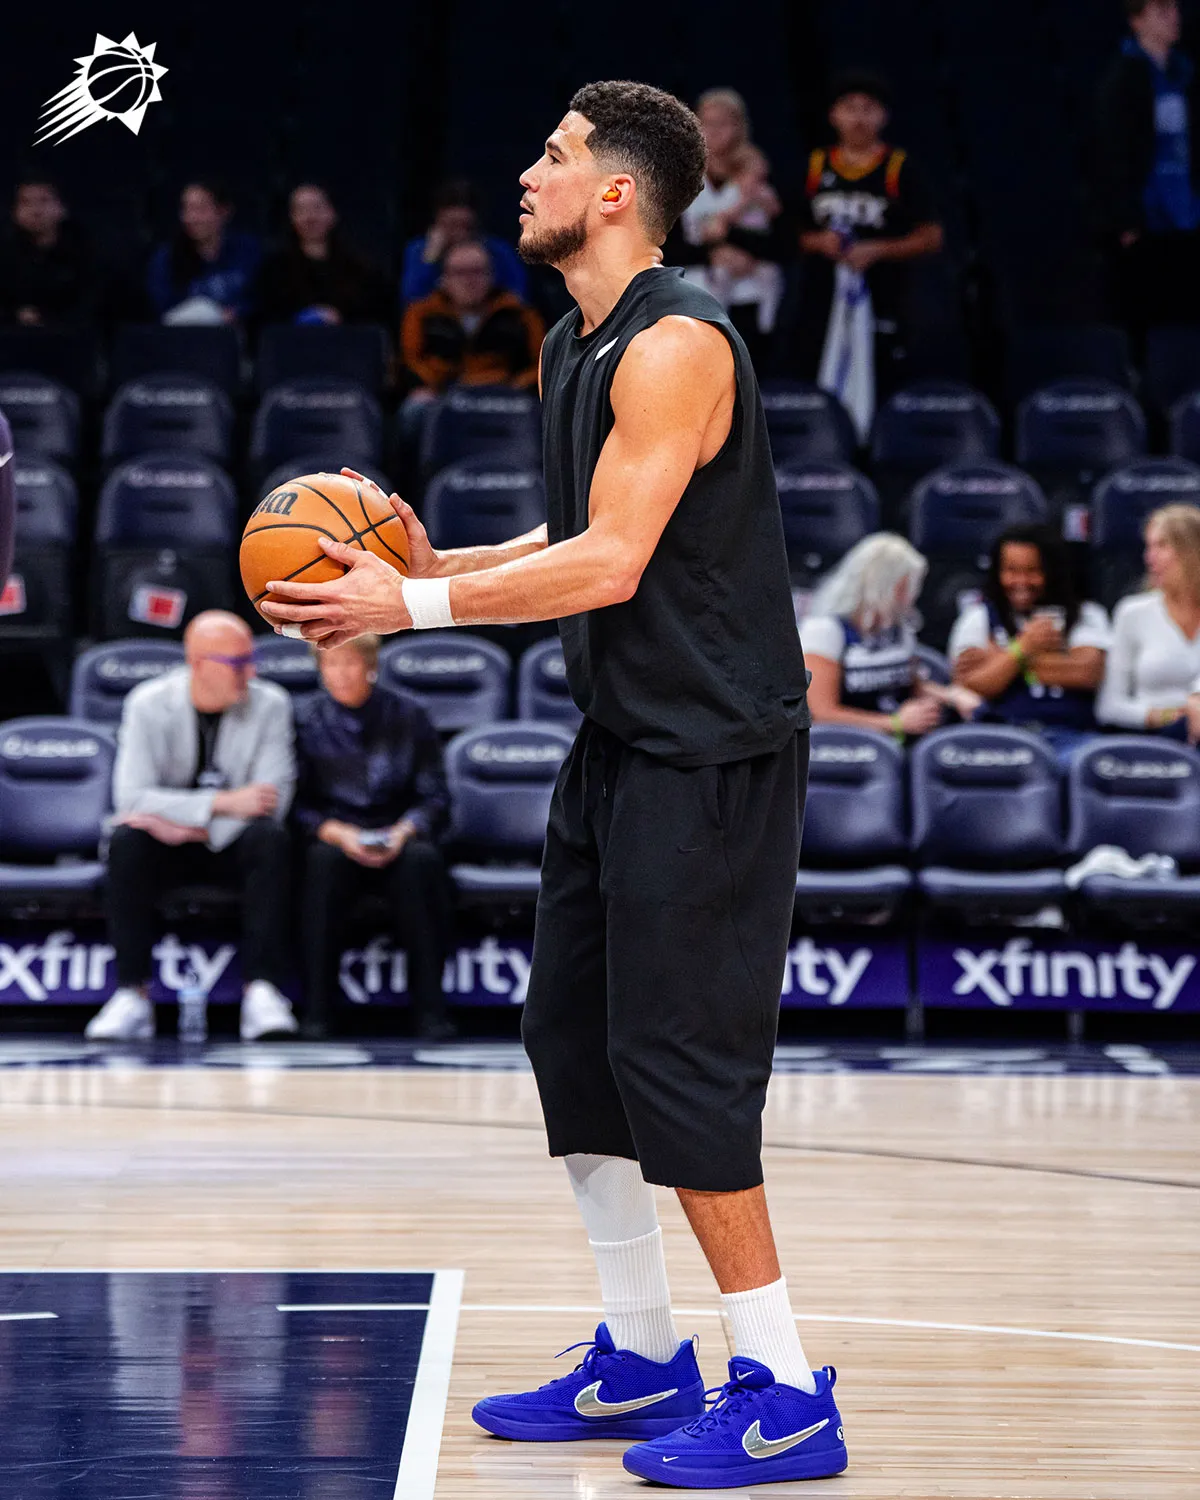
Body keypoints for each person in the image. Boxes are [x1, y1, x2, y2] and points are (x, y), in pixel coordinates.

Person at [260, 80, 849, 1488]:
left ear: (616, 196)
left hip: (711, 753)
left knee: (683, 1071)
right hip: (621, 742)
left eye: (556, 156)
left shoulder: (677, 344)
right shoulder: (579, 342)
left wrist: (407, 618)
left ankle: (779, 1387)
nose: (527, 174)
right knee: (573, 1050)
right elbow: (581, 525)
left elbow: (613, 564)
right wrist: (433, 569)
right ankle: (644, 1354)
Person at [85, 611, 299, 1043]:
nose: (250, 672)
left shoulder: (271, 703)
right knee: (127, 841)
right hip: (170, 852)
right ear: (199, 664)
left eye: (250, 660)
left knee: (272, 840)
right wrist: (222, 803)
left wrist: (189, 825)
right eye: (237, 663)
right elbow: (132, 798)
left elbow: (271, 802)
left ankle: (262, 992)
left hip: (232, 845)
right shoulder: (147, 703)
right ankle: (132, 995)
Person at [291, 634, 455, 1041]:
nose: (340, 674)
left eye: (349, 664)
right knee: (320, 865)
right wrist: (337, 833)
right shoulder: (304, 719)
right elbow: (294, 803)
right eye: (330, 665)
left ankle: (431, 1010)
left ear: (370, 665)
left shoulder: (410, 715)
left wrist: (402, 831)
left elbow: (435, 796)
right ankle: (318, 1011)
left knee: (422, 863)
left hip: (397, 833)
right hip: (335, 835)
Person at [795, 71, 943, 403]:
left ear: (883, 116)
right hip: (823, 299)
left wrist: (878, 249)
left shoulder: (900, 168)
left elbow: (932, 236)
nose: (858, 118)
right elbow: (788, 232)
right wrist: (819, 242)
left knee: (882, 383)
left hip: (885, 296)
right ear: (834, 115)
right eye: (850, 108)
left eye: (868, 109)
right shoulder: (816, 166)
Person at [949, 526, 1110, 762]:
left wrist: (1002, 662)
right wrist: (1024, 646)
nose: (1021, 582)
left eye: (1033, 571)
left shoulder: (1087, 614)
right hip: (1000, 737)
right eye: (1011, 571)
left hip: (1073, 738)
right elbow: (970, 684)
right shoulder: (978, 618)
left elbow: (1087, 673)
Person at [1094, 0, 1200, 339]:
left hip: (1188, 215)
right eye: (1161, 10)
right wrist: (1126, 220)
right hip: (1147, 221)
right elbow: (1113, 153)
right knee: (1152, 319)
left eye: (1175, 9)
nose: (1173, 17)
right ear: (1136, 20)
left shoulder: (1187, 74)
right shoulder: (1123, 79)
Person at [802, 533, 969, 740]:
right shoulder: (824, 631)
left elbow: (910, 683)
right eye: (905, 585)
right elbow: (822, 713)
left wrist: (952, 696)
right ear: (882, 585)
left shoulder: (898, 629)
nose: (912, 594)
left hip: (896, 739)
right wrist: (895, 723)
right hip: (845, 745)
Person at [670, 88, 787, 369]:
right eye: (706, 123)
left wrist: (739, 248)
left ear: (739, 127)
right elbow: (666, 247)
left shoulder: (757, 176)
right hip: (695, 300)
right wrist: (714, 254)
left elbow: (783, 244)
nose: (714, 132)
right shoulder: (680, 181)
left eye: (722, 123)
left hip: (750, 301)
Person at [1097, 502, 1200, 737]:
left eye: (1161, 546)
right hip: (1153, 739)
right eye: (1148, 547)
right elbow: (1108, 706)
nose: (1149, 558)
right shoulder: (1132, 613)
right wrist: (1169, 716)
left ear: (1192, 550)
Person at [399, 239, 544, 395]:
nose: (469, 281)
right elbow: (410, 361)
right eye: (460, 273)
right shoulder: (421, 314)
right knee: (416, 408)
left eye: (477, 272)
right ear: (443, 279)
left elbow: (541, 364)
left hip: (506, 396)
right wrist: (430, 386)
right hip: (439, 394)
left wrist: (517, 387)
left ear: (492, 277)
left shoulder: (520, 314)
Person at [254, 182, 393, 328]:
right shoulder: (273, 271)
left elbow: (377, 320)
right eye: (301, 210)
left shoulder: (361, 270)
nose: (310, 218)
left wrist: (339, 317)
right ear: (292, 218)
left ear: (332, 213)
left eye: (317, 208)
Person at [146, 179, 261, 325]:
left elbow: (260, 300)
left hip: (238, 337)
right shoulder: (166, 257)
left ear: (224, 211)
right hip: (185, 339)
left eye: (200, 209)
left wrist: (238, 312)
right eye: (186, 209)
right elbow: (162, 310)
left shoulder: (248, 250)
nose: (191, 218)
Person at [400, 178, 528, 304]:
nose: (460, 235)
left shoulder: (499, 251)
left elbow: (519, 298)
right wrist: (430, 259)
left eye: (466, 227)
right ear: (437, 223)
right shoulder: (419, 251)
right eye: (452, 226)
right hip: (436, 320)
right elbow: (410, 300)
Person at [0, 177, 98, 327]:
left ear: (62, 208)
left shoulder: (85, 252)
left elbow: (90, 303)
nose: (36, 211)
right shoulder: (6, 254)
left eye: (44, 201)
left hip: (73, 336)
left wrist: (47, 318)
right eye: (26, 202)